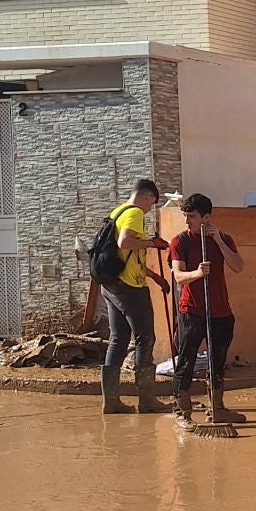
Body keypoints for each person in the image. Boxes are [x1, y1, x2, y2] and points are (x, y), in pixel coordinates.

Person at [167, 193, 246, 427]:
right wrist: (198, 274)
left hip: (220, 310)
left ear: (206, 217)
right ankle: (182, 411)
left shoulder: (224, 238)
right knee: (186, 360)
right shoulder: (179, 241)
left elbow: (238, 266)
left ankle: (217, 408)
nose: (187, 221)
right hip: (192, 310)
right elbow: (179, 277)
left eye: (192, 216)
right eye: (186, 216)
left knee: (218, 361)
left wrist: (219, 241)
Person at [100, 178, 172, 415]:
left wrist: (154, 276)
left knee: (118, 339)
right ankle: (147, 400)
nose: (150, 209)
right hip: (129, 287)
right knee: (145, 338)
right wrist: (153, 242)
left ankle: (111, 401)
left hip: (111, 284)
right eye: (152, 204)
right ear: (148, 196)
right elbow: (126, 243)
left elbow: (128, 257)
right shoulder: (135, 214)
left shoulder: (117, 212)